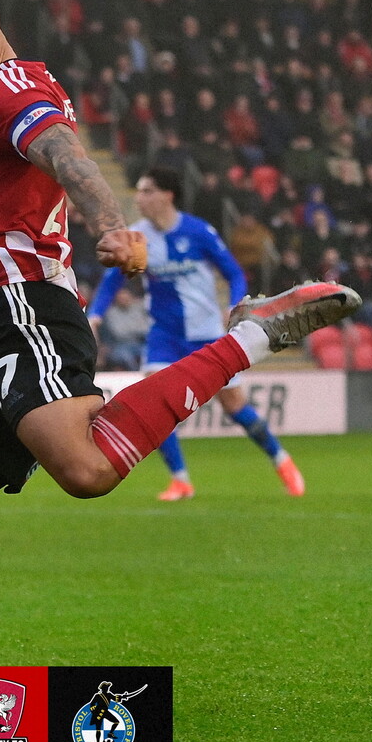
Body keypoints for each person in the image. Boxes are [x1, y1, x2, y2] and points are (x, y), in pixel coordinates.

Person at [0, 0, 362, 714]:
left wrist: (112, 226)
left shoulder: (10, 94)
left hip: (23, 309)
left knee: (86, 467)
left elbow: (68, 156)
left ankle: (254, 337)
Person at [87, 168, 305, 501]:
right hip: (164, 335)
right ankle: (181, 480)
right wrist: (95, 315)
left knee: (234, 406)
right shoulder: (137, 238)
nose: (139, 198)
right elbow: (112, 282)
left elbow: (234, 273)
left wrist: (235, 305)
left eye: (147, 191)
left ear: (167, 195)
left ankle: (281, 460)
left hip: (205, 334)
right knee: (153, 404)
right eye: (139, 191)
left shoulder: (198, 231)